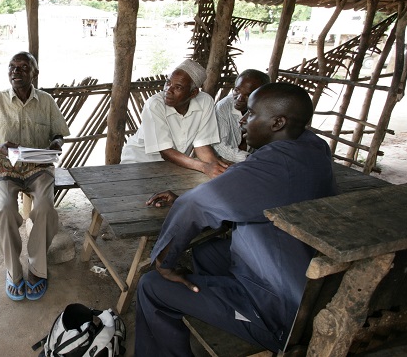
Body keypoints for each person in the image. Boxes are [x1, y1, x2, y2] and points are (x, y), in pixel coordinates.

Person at [135, 82, 338, 356]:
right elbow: (256, 191)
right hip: (304, 275)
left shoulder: (275, 166)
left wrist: (164, 263)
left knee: (152, 285)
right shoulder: (312, 147)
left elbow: (194, 207)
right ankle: (218, 309)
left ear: (277, 122)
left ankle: (246, 316)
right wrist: (194, 197)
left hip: (282, 313)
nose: (242, 120)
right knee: (207, 253)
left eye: (251, 114)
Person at [0, 51, 70, 302]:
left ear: (35, 73)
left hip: (38, 166)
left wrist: (56, 142)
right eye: (12, 67)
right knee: (5, 209)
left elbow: (59, 133)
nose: (16, 71)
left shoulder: (46, 101)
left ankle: (38, 269)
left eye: (23, 67)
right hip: (5, 167)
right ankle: (13, 271)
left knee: (45, 209)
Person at [121, 59, 227, 178]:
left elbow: (201, 145)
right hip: (139, 163)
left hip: (172, 166)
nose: (168, 90)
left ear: (193, 93)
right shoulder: (155, 104)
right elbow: (165, 151)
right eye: (168, 83)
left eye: (178, 87)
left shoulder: (205, 102)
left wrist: (216, 167)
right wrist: (204, 167)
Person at [212, 69, 270, 163]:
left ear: (262, 95)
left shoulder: (268, 109)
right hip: (226, 161)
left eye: (248, 95)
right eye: (237, 90)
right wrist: (250, 159)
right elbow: (219, 145)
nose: (240, 98)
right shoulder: (222, 107)